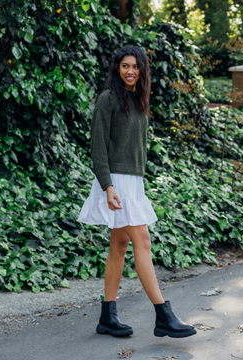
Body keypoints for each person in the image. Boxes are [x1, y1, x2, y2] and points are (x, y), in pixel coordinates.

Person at [77, 46, 196, 338]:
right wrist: (108, 186)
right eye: (125, 66)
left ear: (142, 70)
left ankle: (107, 317)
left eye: (135, 67)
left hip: (133, 182)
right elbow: (98, 147)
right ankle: (163, 315)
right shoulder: (107, 99)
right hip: (115, 182)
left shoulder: (139, 100)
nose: (130, 71)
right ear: (117, 68)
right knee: (142, 239)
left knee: (119, 246)